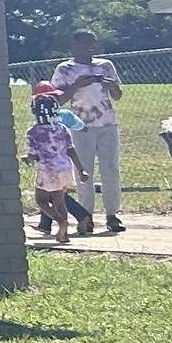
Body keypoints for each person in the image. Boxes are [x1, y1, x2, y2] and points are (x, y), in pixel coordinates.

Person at [53, 28, 126, 234]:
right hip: (80, 126)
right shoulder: (65, 69)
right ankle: (86, 216)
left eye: (93, 43)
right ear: (75, 45)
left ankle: (112, 214)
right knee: (83, 172)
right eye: (86, 43)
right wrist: (76, 85)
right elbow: (57, 100)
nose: (90, 47)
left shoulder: (105, 65)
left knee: (110, 169)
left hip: (107, 124)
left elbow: (118, 95)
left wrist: (112, 87)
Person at [26, 91, 81, 243]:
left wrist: (28, 158)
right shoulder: (62, 129)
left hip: (48, 170)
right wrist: (81, 169)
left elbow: (34, 155)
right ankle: (64, 235)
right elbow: (70, 149)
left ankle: (60, 221)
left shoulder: (33, 132)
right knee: (59, 200)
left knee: (41, 200)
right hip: (64, 168)